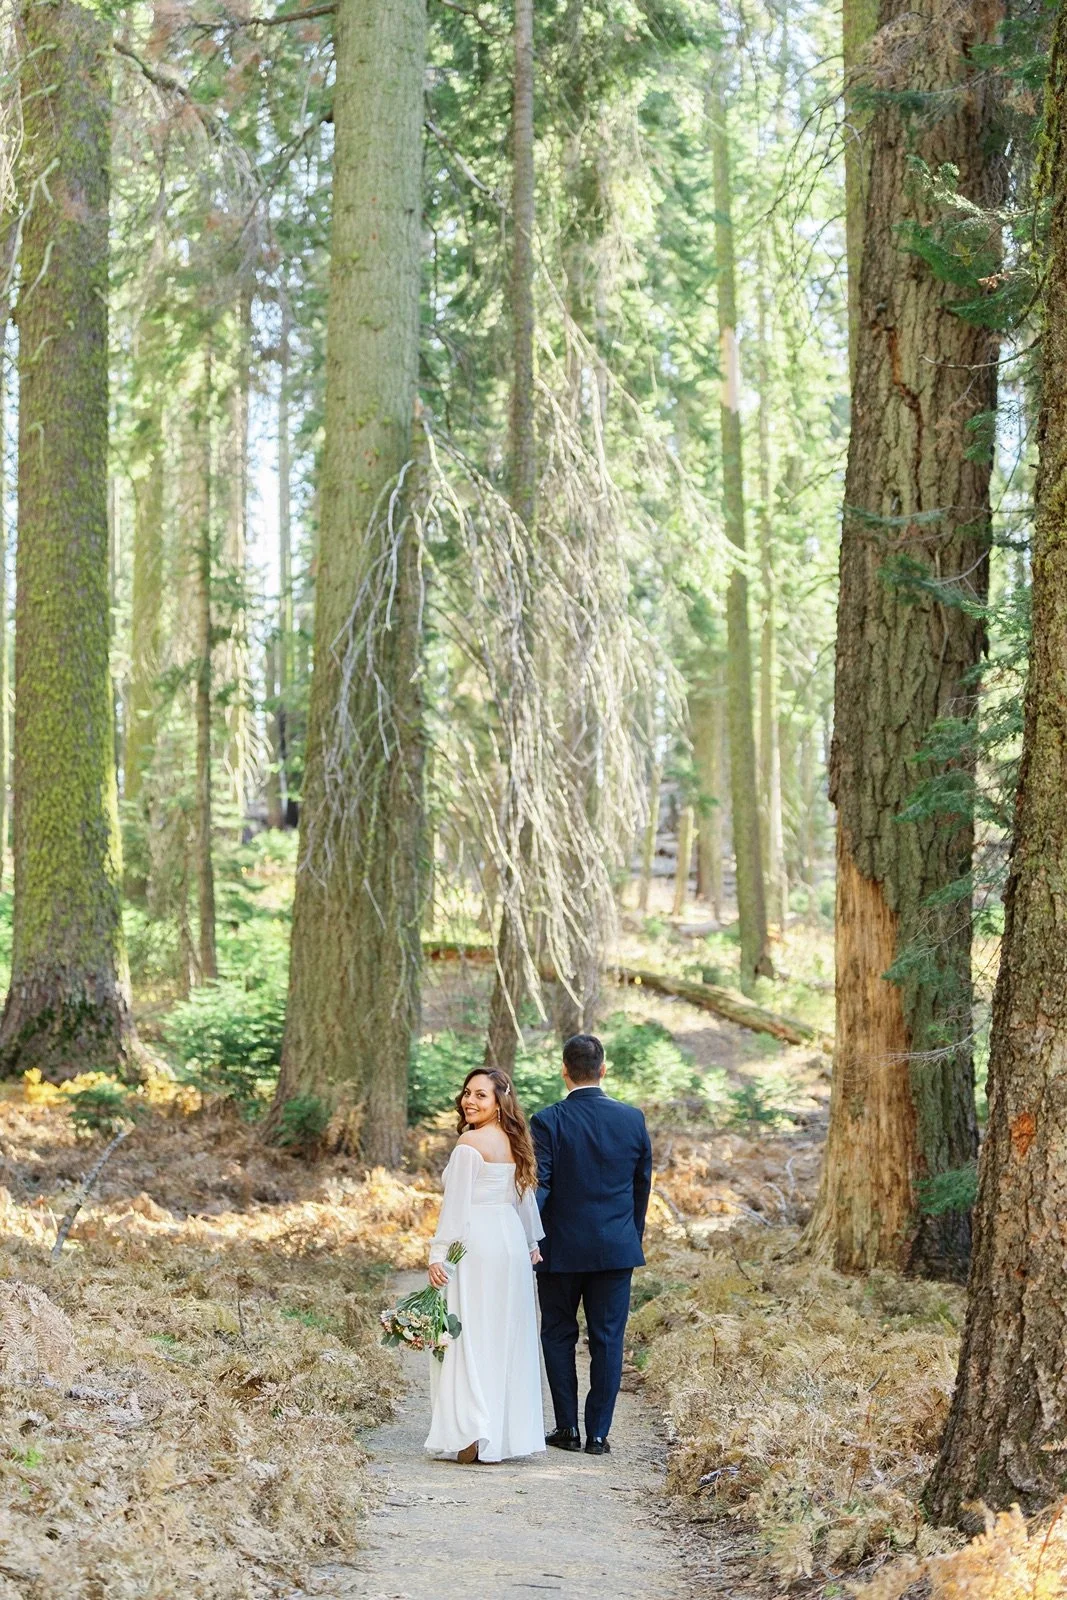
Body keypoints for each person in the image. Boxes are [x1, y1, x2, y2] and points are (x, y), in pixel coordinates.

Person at [530, 1033, 653, 1457]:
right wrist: (629, 1237)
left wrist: (528, 1234)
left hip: (559, 1249)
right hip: (615, 1250)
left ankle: (567, 1428)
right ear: (603, 1069)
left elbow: (539, 1185)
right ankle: (598, 1434)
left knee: (558, 1335)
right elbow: (642, 1187)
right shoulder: (632, 1119)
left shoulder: (547, 1120)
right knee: (607, 1339)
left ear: (564, 1072)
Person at [424, 1067, 546, 1464]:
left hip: (476, 1243)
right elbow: (524, 1200)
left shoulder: (469, 1143)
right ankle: (498, 1430)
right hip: (508, 1241)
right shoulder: (516, 1141)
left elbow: (455, 1207)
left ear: (499, 1102)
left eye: (481, 1095)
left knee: (469, 1333)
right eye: (467, 1093)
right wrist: (530, 1242)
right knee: (502, 1332)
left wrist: (437, 1253)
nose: (470, 1101)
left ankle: (471, 1431)